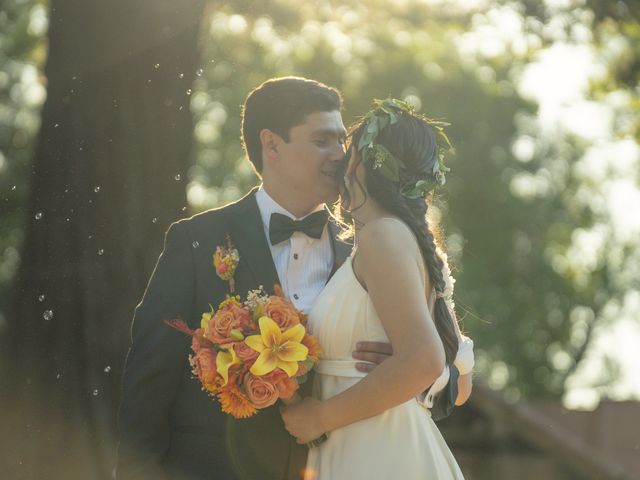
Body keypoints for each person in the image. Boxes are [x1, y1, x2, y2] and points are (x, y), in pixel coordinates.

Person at [280, 99, 474, 479]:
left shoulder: (383, 235)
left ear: (358, 163)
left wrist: (319, 416)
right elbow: (456, 376)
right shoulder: (400, 239)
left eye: (346, 148)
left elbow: (424, 360)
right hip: (368, 444)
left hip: (377, 452)